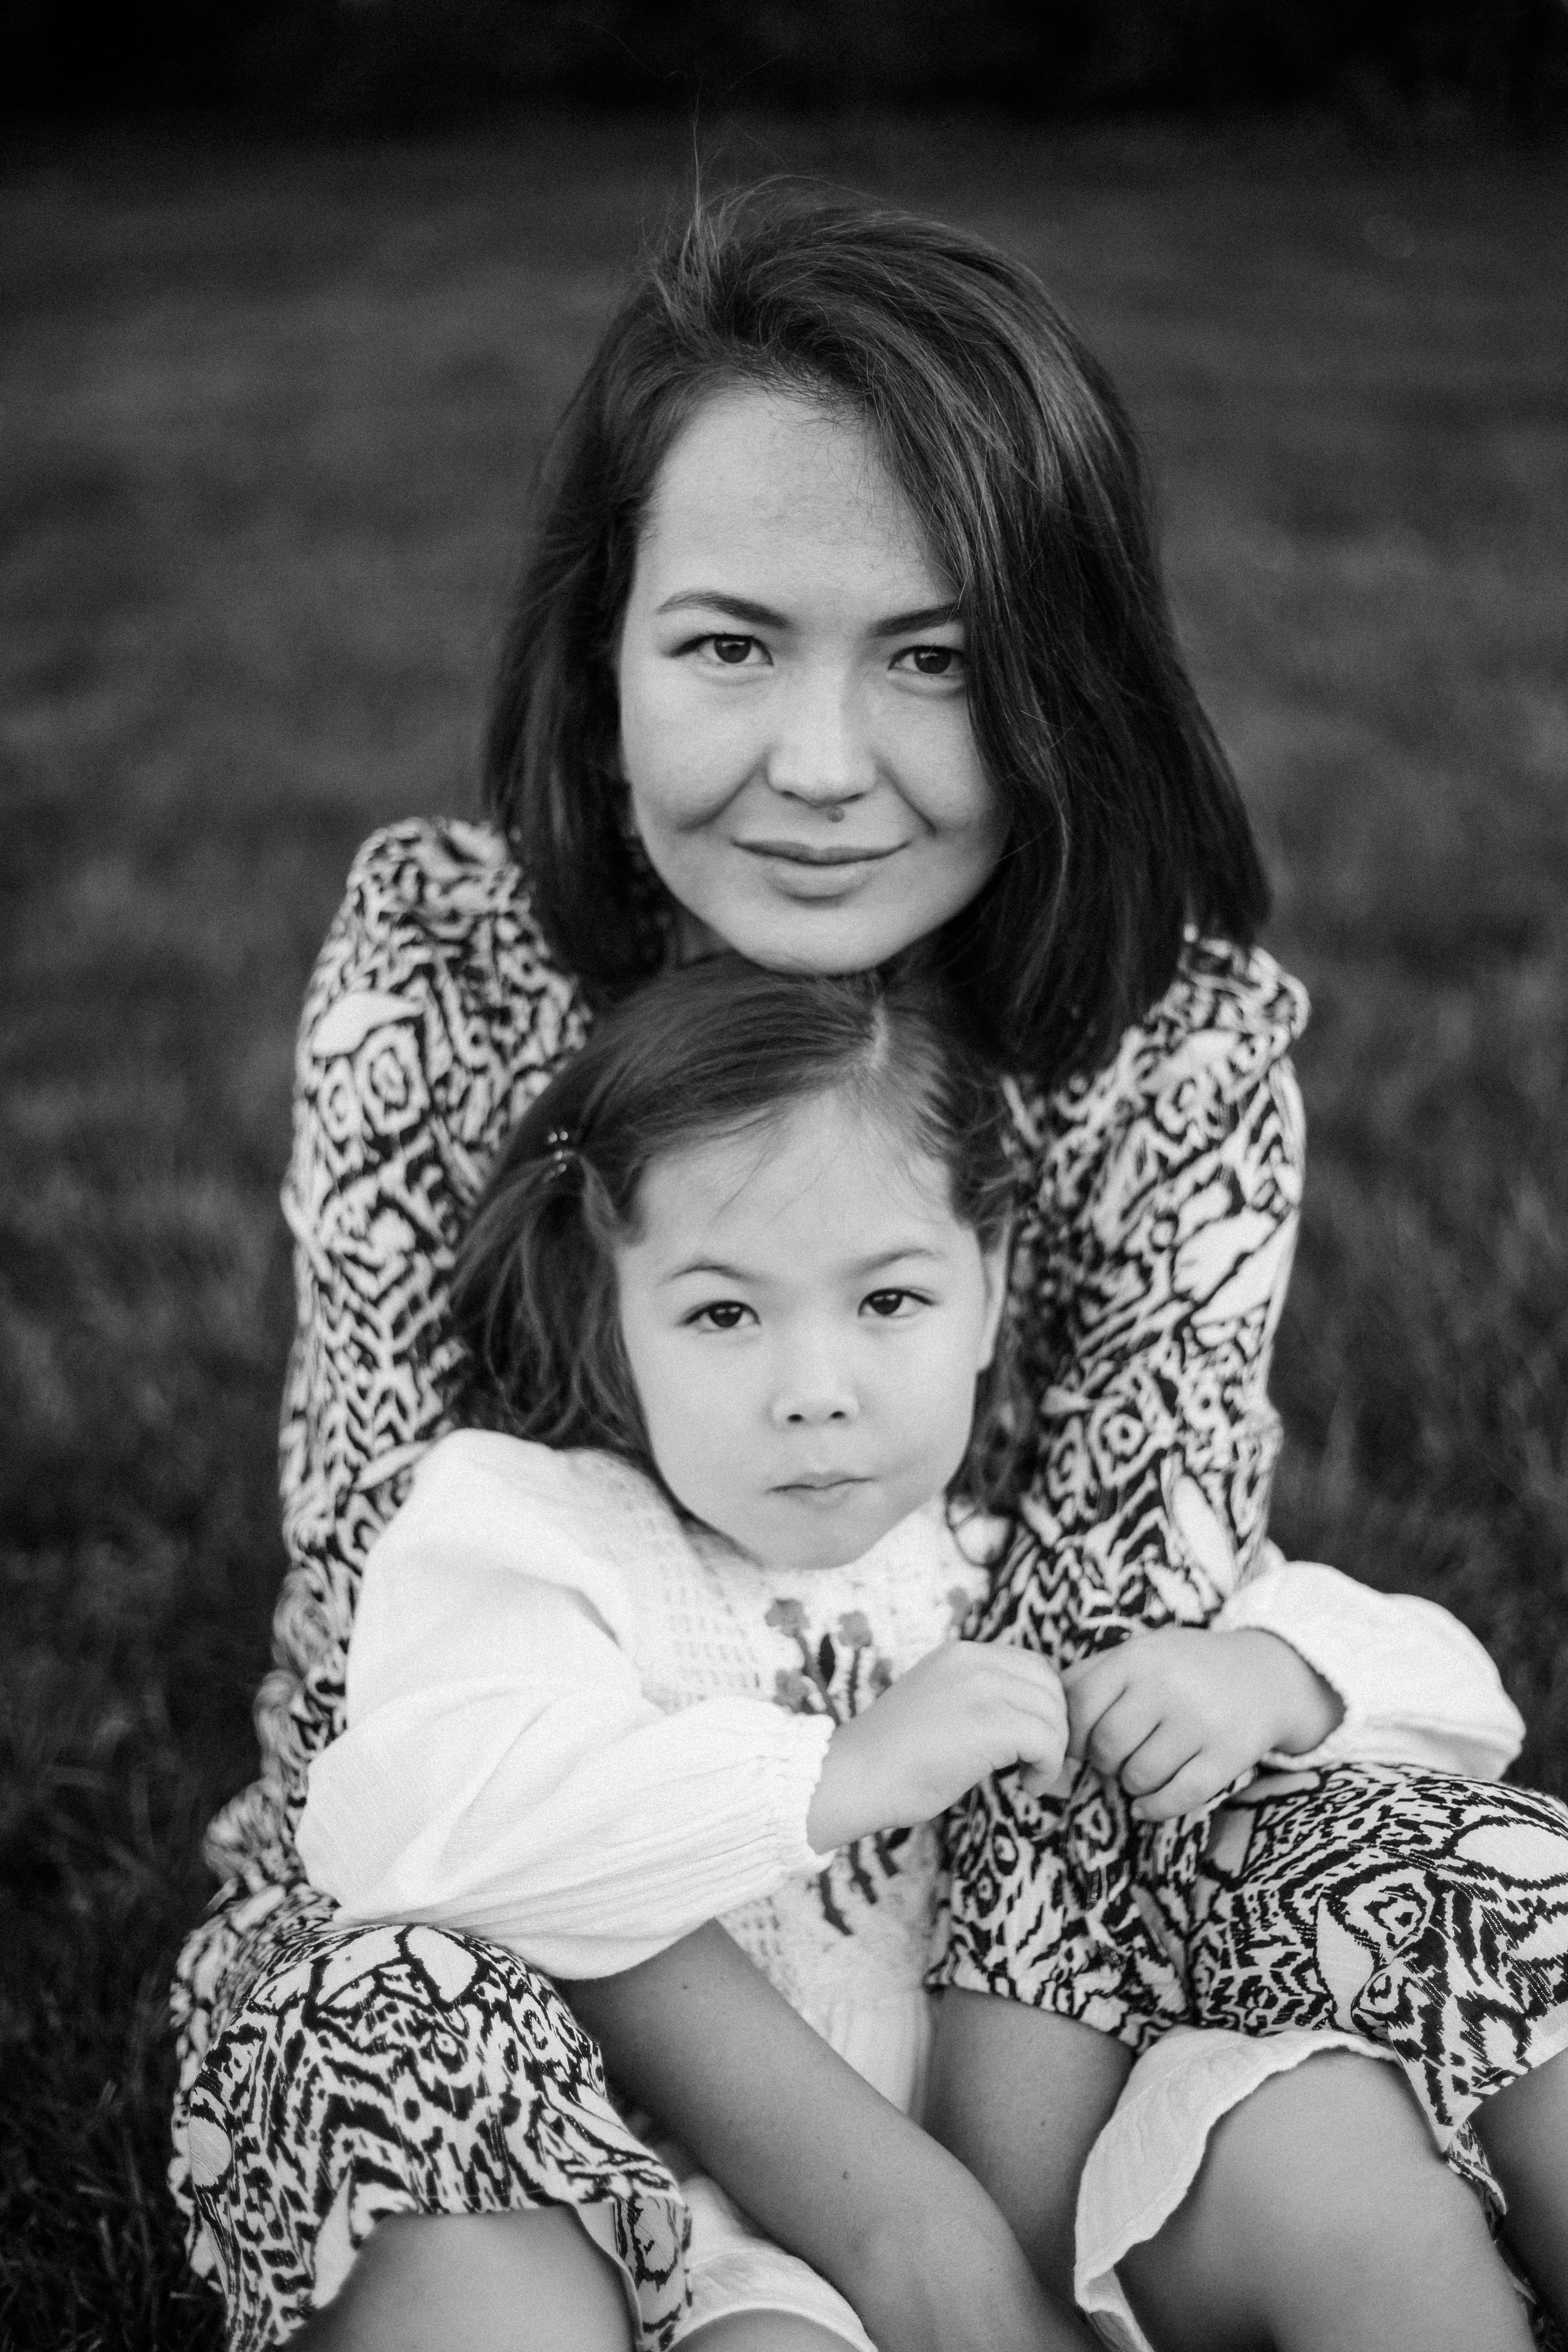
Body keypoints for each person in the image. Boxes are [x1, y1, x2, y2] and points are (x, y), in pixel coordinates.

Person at [167, 186, 1563, 2350]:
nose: (824, 771)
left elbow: (1116, 1640)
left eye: (935, 658)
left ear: (1062, 688)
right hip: (497, 1873)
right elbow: (401, 1690)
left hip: (1049, 1909)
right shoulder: (442, 960)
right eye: (732, 642)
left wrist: (998, 2244)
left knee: (1490, 1890)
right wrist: (902, 2239)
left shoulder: (1166, 1034)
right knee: (391, 2021)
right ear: (603, 642)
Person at [290, 956, 1554, 2352]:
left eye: (887, 1301)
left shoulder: (1025, 1553)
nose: (813, 1394)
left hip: (1087, 2181)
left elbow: (1459, 1707)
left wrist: (1274, 1679)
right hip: (717, 2226)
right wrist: (827, 1777)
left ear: (991, 1282)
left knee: (1333, 2155)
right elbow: (408, 1824)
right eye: (722, 1313)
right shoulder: (546, 1534)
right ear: (609, 1301)